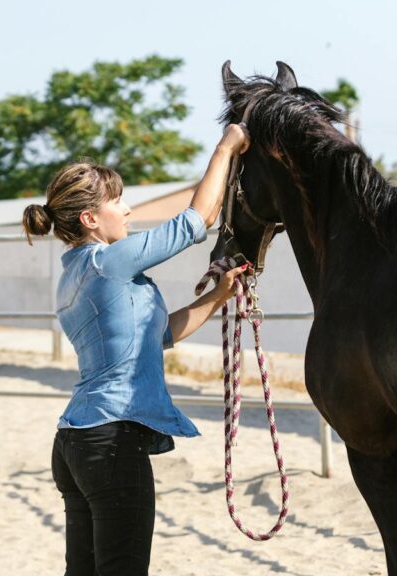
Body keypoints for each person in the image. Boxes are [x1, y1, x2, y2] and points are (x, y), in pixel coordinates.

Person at [22, 124, 250, 576]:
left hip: (76, 444)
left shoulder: (73, 276)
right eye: (118, 201)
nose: (127, 210)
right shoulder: (109, 262)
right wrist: (227, 145)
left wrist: (216, 298)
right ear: (90, 218)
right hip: (110, 444)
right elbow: (196, 221)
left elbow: (158, 335)